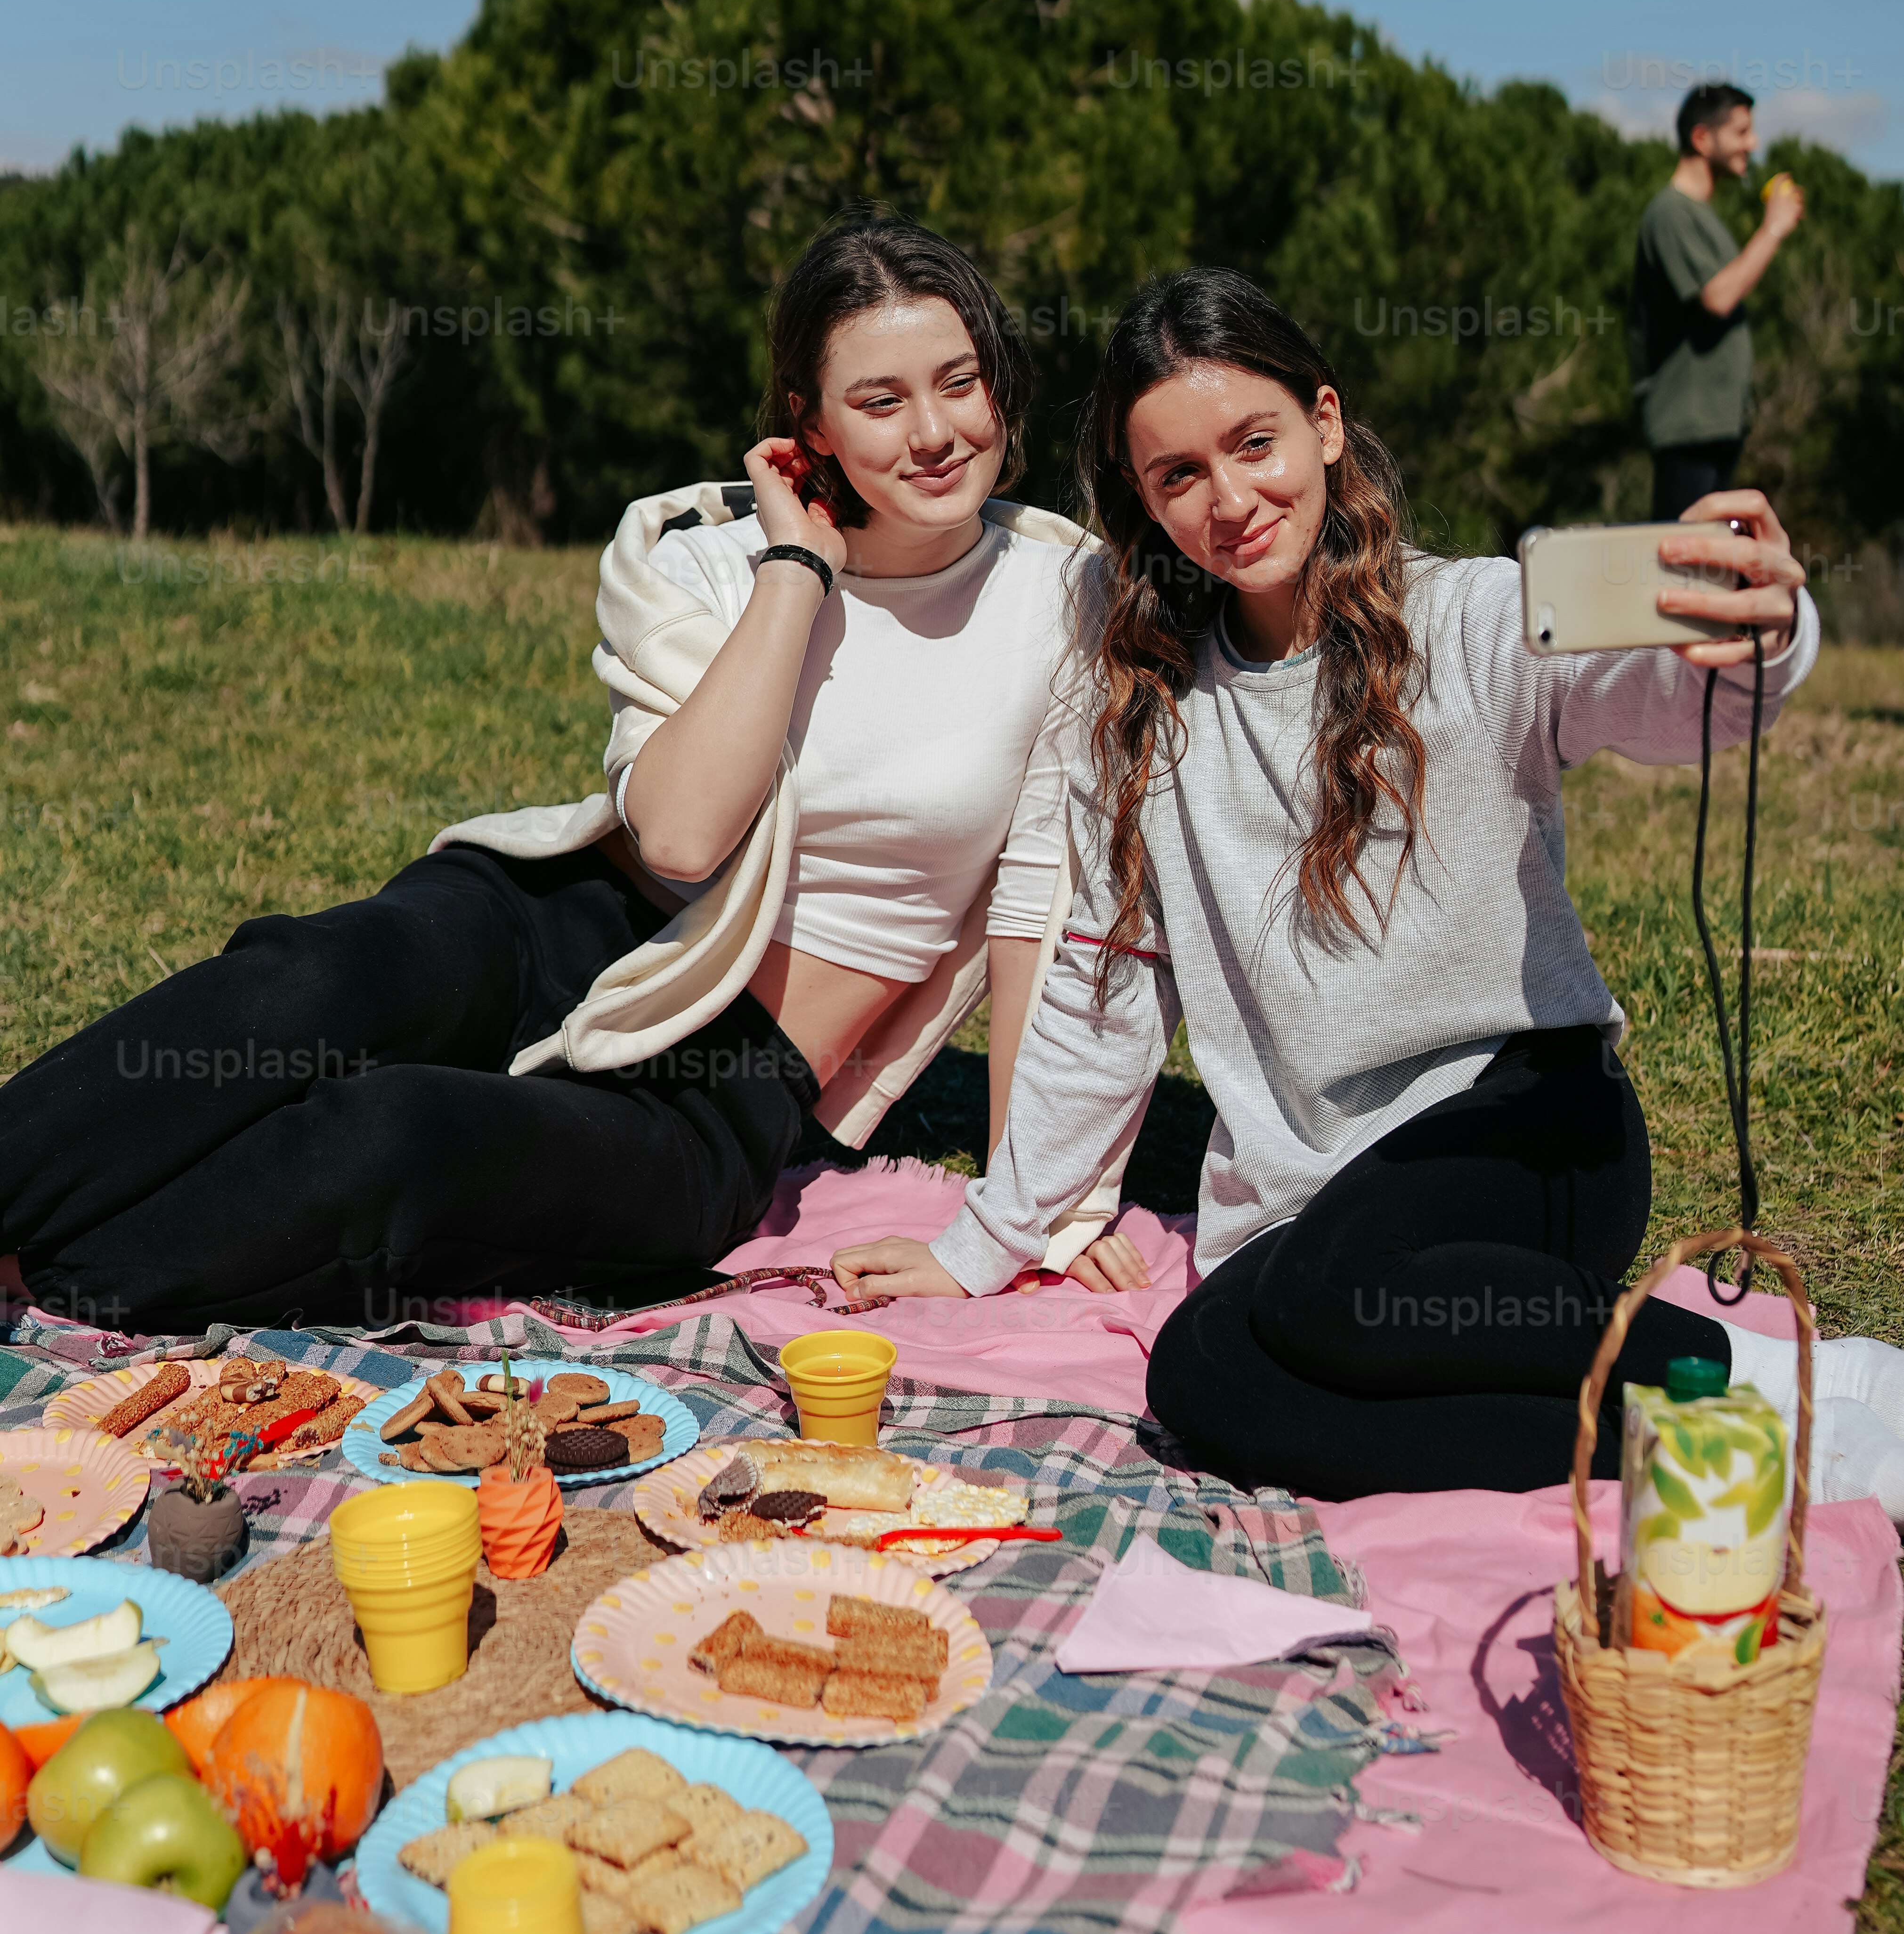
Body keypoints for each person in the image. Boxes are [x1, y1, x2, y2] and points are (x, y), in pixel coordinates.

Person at [835, 269, 1904, 1587]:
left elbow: (1660, 690)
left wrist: (1757, 628)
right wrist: (986, 1243)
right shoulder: (1146, 697)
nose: (1230, 500)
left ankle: (1820, 1400)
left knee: (1321, 1306)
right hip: (1331, 1195)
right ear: (1144, 502)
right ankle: (1736, 1426)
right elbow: (1106, 993)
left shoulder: (1471, 617)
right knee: (1205, 1382)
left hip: (1531, 1129)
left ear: (1325, 422)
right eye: (1179, 475)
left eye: (1255, 443)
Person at [0, 218, 1107, 1332]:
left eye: (959, 382)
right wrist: (797, 573)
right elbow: (677, 837)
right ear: (805, 424)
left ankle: (40, 1284)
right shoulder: (700, 556)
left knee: (391, 1137)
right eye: (878, 402)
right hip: (555, 927)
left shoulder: (1064, 602)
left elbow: (1039, 920)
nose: (934, 432)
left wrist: (1023, 1215)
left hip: (719, 1088)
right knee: (305, 983)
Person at [1626, 83, 1805, 522]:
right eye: (1742, 132)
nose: (1754, 143)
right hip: (1688, 424)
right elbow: (1719, 297)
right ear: (1703, 139)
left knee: (1706, 565)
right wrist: (1774, 229)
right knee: (1679, 562)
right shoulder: (1670, 212)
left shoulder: (1700, 213)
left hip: (1716, 424)